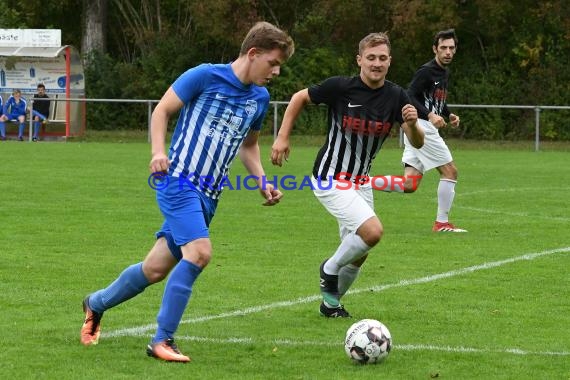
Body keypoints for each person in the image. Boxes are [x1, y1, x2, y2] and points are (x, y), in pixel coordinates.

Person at [80, 21, 294, 362]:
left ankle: (95, 303)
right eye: (273, 62)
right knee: (199, 253)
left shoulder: (260, 98)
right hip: (178, 181)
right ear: (253, 54)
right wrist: (157, 152)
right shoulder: (204, 76)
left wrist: (262, 181)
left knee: (154, 269)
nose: (277, 71)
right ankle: (162, 341)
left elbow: (249, 146)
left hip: (210, 195)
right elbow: (162, 111)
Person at [271, 32, 424, 318]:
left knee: (360, 253)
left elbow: (417, 143)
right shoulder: (341, 87)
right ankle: (328, 269)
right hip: (330, 176)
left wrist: (414, 125)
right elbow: (299, 98)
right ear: (359, 60)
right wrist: (282, 137)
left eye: (382, 58)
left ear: (389, 61)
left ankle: (330, 305)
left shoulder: (397, 96)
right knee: (372, 232)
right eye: (371, 58)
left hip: (361, 181)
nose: (376, 63)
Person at [377, 29, 466, 232]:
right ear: (435, 49)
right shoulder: (426, 71)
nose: (448, 52)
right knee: (450, 171)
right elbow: (410, 96)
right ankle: (442, 223)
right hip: (422, 128)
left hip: (420, 126)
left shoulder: (444, 72)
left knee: (410, 184)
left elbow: (437, 100)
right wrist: (430, 115)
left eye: (451, 48)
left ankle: (362, 182)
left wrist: (448, 114)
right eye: (443, 48)